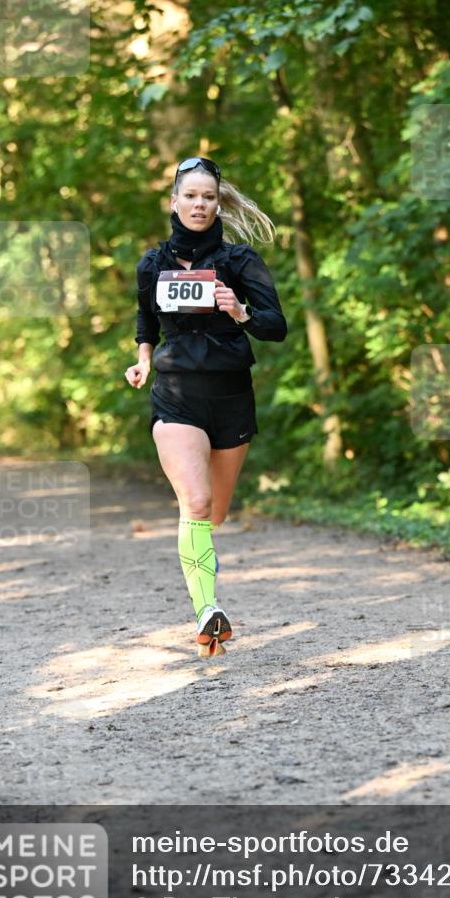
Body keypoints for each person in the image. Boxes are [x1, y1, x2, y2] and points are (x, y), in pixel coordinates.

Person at [125, 156, 287, 658]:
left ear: (218, 205)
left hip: (231, 395)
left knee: (213, 513)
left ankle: (204, 584)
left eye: (208, 198)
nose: (199, 205)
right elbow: (145, 322)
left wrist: (239, 310)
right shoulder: (152, 264)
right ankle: (207, 610)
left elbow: (275, 325)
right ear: (174, 202)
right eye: (190, 196)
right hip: (175, 394)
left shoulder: (239, 262)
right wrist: (142, 360)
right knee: (193, 503)